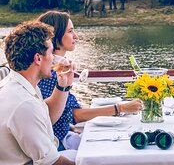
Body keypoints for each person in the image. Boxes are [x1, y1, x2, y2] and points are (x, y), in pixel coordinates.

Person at [37, 10, 142, 151]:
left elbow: (66, 113)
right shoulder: (51, 73)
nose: (76, 36)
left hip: (64, 134)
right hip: (55, 144)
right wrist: (121, 108)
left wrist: (67, 126)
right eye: (70, 31)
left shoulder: (59, 67)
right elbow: (76, 115)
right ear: (55, 38)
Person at [0, 21, 75, 165]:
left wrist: (64, 85)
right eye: (51, 52)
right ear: (38, 58)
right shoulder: (24, 103)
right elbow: (52, 162)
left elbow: (46, 118)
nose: (53, 58)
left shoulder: (19, 85)